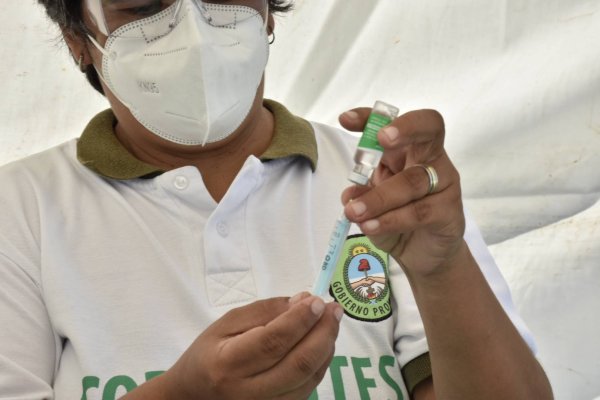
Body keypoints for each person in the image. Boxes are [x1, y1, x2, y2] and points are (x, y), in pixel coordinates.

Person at [0, 0, 553, 399]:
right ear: (79, 40)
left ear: (268, 12)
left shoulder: (390, 185)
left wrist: (444, 269)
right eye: (143, 6)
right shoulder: (21, 209)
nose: (193, 31)